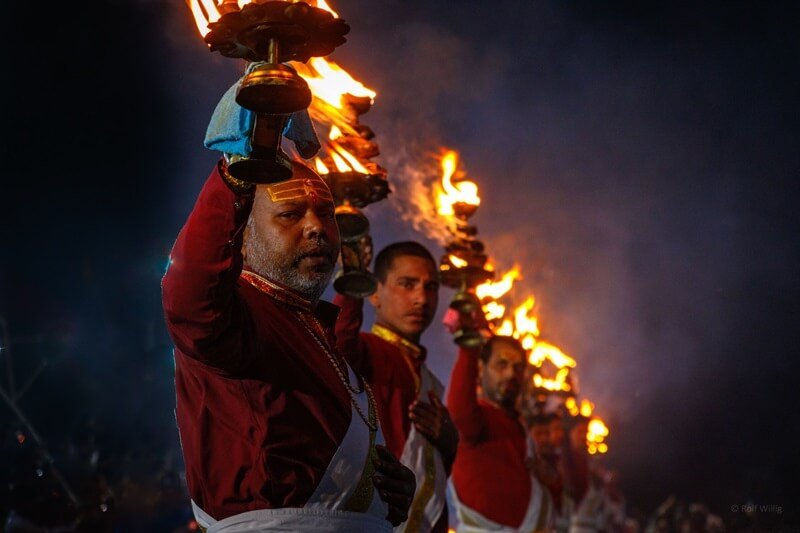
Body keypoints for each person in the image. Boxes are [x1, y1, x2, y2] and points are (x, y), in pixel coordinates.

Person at [162, 159, 415, 532]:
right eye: (290, 214)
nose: (316, 227)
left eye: (326, 214)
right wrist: (235, 175)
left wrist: (382, 495)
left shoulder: (309, 326)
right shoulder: (235, 315)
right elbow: (190, 296)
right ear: (243, 238)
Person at [335, 241, 459, 533]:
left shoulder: (429, 381)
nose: (421, 299)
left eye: (430, 287)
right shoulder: (363, 352)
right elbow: (337, 343)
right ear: (374, 293)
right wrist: (352, 279)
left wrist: (449, 443)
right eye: (407, 284)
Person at [447, 334, 553, 532]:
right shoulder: (476, 419)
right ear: (480, 369)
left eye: (518, 368)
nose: (511, 374)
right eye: (501, 364)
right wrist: (468, 347)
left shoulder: (519, 427)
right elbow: (459, 413)